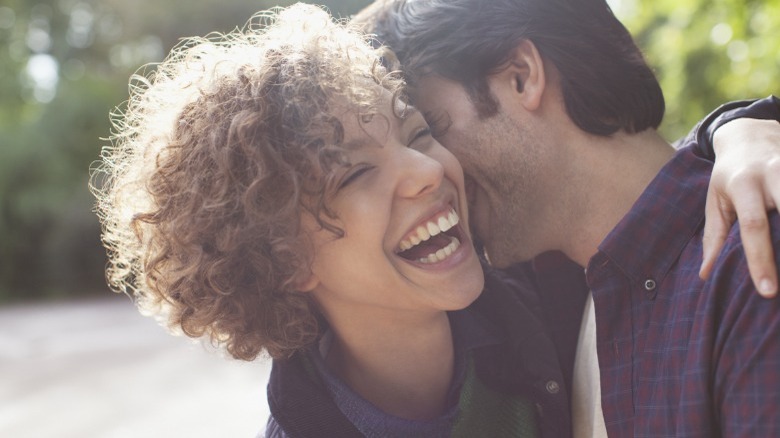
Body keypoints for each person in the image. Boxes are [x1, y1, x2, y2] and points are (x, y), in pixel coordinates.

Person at [90, 3, 779, 438]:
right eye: (356, 173)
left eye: (423, 131)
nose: (429, 170)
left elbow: (644, 190)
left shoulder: (547, 288)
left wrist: (746, 128)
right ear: (280, 257)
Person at [356, 0, 780, 436]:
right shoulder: (545, 298)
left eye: (431, 130)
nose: (434, 172)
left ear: (521, 76)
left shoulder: (753, 258)